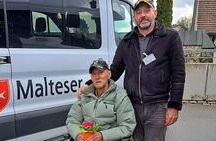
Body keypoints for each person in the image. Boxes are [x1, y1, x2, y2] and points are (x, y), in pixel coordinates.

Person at [79, 0, 186, 141]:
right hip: (131, 106)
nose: (143, 15)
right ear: (134, 17)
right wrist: (89, 85)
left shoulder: (170, 37)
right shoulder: (127, 40)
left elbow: (178, 73)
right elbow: (114, 71)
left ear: (155, 13)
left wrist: (174, 106)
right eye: (138, 12)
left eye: (147, 11)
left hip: (157, 106)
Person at [66, 58, 136, 141]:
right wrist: (77, 134)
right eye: (94, 74)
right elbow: (72, 120)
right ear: (91, 78)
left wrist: (103, 135)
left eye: (101, 72)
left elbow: (127, 126)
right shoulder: (85, 95)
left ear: (109, 74)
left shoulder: (119, 95)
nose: (97, 77)